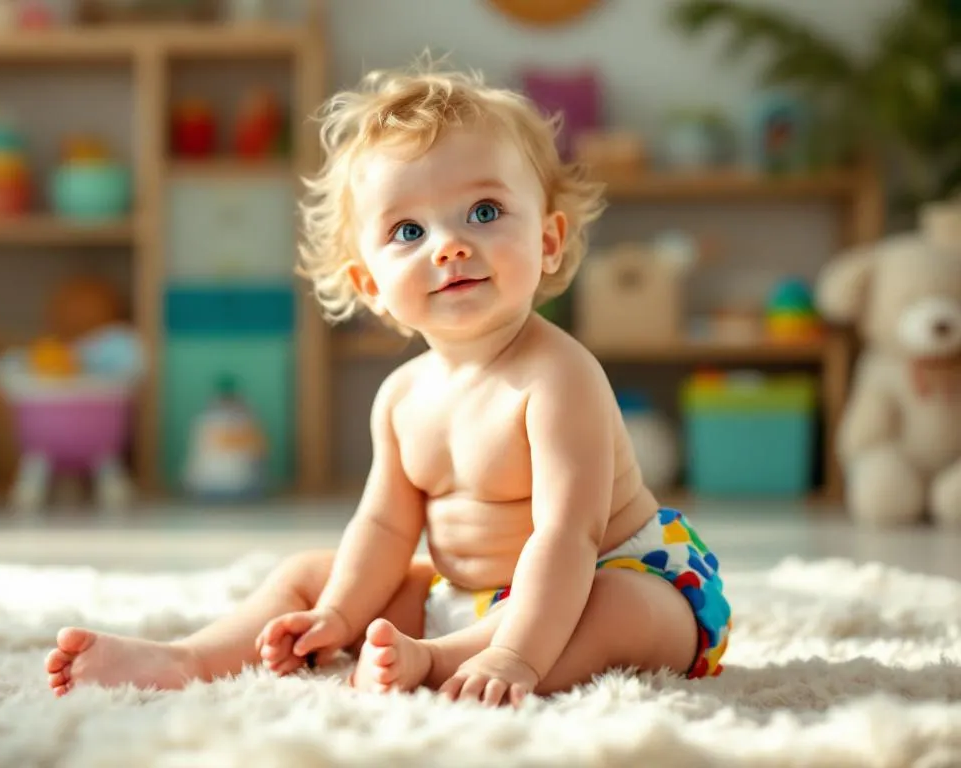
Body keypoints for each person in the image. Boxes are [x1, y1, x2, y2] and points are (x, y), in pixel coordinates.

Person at [44, 57, 731, 707]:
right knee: (312, 574)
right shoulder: (402, 398)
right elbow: (382, 524)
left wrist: (516, 657)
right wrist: (338, 613)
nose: (450, 245)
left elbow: (567, 538)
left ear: (548, 241)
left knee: (616, 613)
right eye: (408, 230)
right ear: (370, 285)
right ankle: (189, 659)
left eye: (484, 213)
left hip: (618, 577)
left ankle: (442, 661)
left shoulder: (558, 378)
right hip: (474, 599)